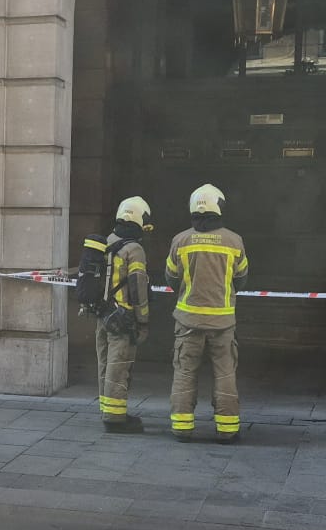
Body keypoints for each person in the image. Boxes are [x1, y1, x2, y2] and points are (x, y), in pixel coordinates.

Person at [165, 184, 248, 443]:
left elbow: (171, 277)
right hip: (222, 322)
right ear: (219, 206)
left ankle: (181, 428)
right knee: (225, 373)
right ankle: (227, 429)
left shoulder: (180, 240)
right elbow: (242, 278)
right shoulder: (234, 241)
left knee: (184, 372)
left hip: (187, 320)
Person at [96, 196, 153, 433]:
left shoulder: (108, 241)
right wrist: (143, 319)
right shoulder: (134, 249)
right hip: (123, 316)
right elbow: (138, 286)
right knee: (119, 367)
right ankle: (115, 418)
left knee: (105, 363)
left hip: (103, 315)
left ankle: (107, 409)